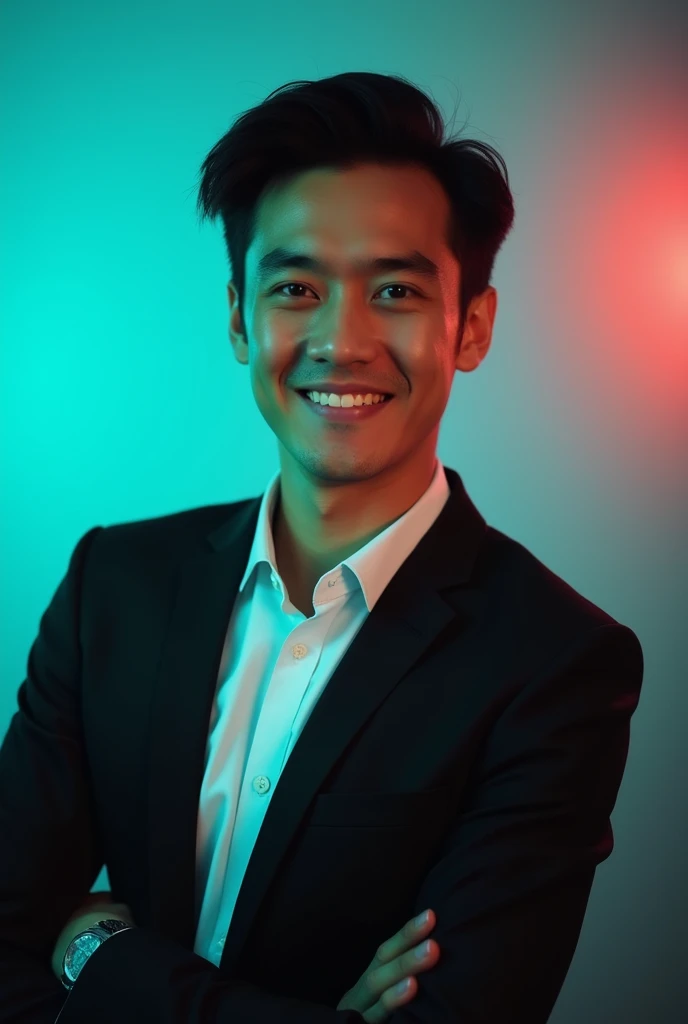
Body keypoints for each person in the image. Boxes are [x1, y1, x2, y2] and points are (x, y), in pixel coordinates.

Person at [0, 72, 644, 1022]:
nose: (341, 342)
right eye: (296, 288)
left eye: (394, 290)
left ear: (471, 327)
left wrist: (99, 953)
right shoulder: (114, 586)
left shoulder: (556, 666)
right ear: (238, 319)